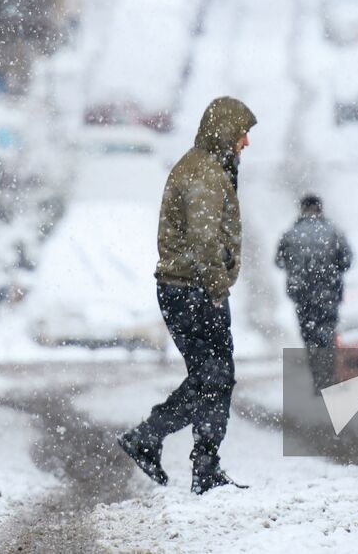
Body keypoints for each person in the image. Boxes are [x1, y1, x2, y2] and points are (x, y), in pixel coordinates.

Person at [119, 96, 257, 495]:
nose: (245, 142)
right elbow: (203, 241)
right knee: (214, 376)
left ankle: (197, 460)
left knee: (212, 377)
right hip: (192, 290)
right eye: (242, 133)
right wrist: (217, 288)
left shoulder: (206, 167)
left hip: (189, 288)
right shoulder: (203, 174)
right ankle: (160, 441)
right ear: (225, 132)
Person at [275, 194, 353, 390]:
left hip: (302, 294)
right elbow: (346, 260)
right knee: (326, 333)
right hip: (328, 292)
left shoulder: (291, 234)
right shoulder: (332, 231)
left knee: (309, 336)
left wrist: (298, 271)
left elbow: (279, 261)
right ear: (320, 208)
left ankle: (318, 377)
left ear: (302, 209)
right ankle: (328, 375)